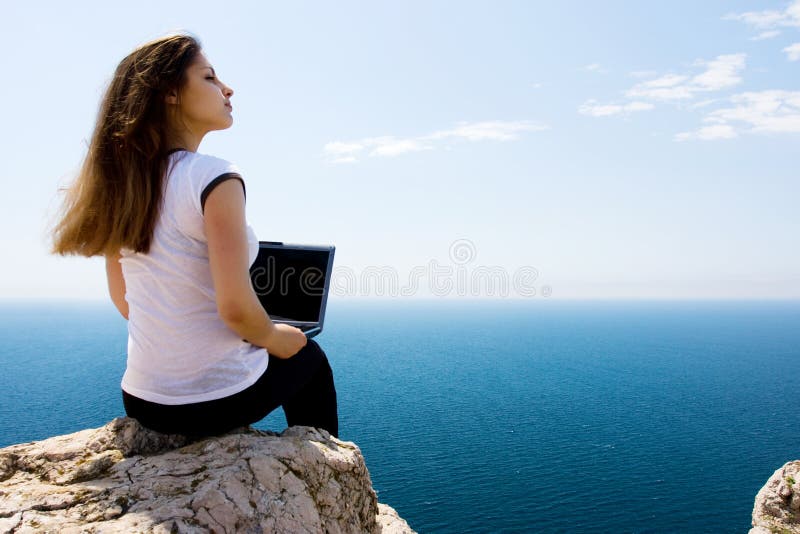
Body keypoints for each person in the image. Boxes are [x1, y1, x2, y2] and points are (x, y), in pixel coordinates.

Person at [51, 34, 338, 438]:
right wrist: (275, 336)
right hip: (214, 403)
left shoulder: (126, 184)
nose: (227, 88)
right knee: (310, 358)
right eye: (209, 77)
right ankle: (326, 474)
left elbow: (126, 302)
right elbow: (236, 311)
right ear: (169, 93)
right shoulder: (214, 176)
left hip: (143, 400)